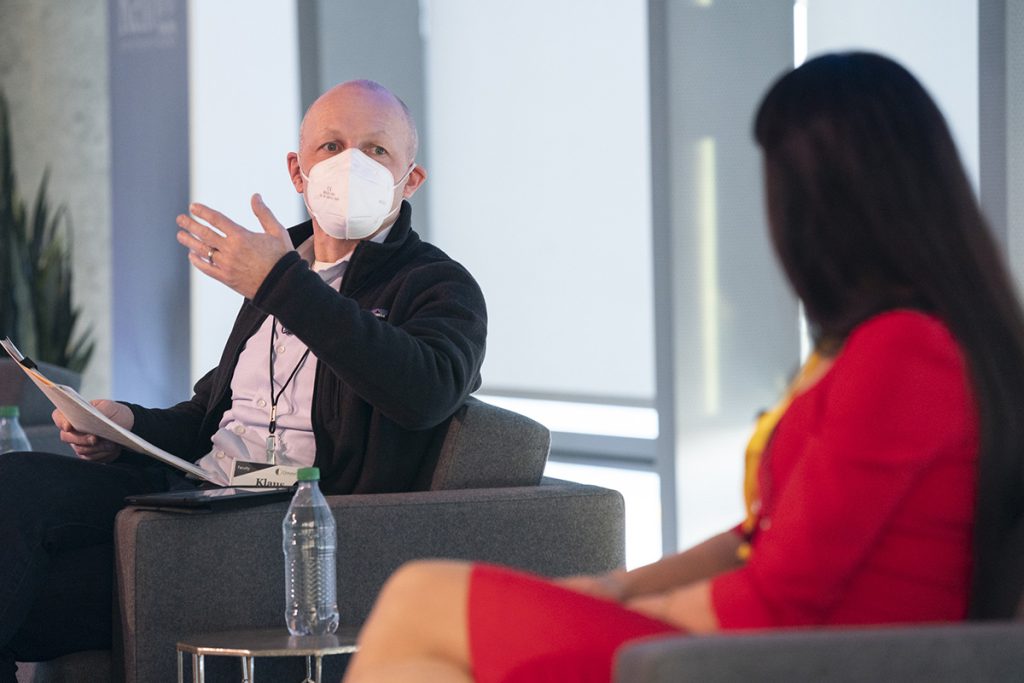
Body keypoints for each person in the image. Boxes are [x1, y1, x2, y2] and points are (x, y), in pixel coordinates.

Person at [340, 52, 1024, 683]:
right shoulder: (891, 346)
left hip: (802, 656)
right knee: (424, 623)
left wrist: (643, 616)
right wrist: (618, 588)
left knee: (418, 601)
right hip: (773, 639)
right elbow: (759, 538)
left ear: (826, 203)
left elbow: (782, 596)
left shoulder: (903, 353)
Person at [0, 79, 486, 680]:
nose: (350, 164)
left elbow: (427, 393)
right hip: (199, 493)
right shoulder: (282, 265)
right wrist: (123, 423)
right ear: (298, 170)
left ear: (410, 179)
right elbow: (211, 416)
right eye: (330, 146)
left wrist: (282, 283)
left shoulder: (435, 284)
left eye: (376, 151)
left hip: (286, 527)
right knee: (13, 481)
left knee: (35, 596)